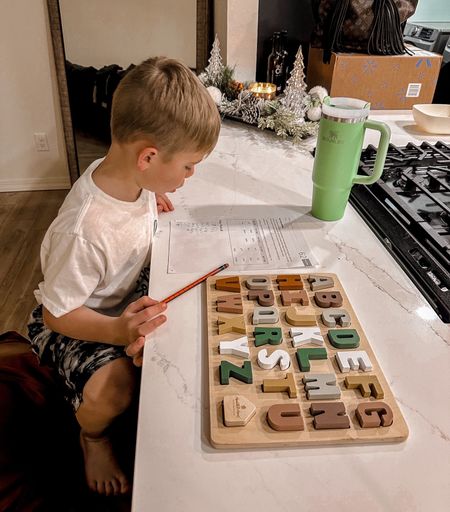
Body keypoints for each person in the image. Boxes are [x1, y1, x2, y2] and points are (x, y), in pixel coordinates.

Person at [27, 56, 221, 497]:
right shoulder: (84, 230)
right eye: (188, 167)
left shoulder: (133, 180)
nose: (189, 177)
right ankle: (92, 437)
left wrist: (153, 196)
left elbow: (135, 206)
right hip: (79, 319)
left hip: (118, 295)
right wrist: (116, 331)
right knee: (118, 388)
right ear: (149, 157)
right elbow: (56, 313)